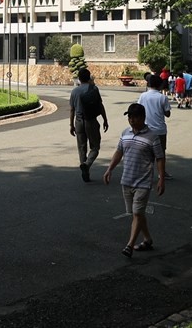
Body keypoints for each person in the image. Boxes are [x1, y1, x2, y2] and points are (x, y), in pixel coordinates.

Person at [103, 103, 166, 258]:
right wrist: (109, 169)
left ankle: (129, 245)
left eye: (135, 117)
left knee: (137, 213)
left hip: (143, 182)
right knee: (136, 213)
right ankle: (148, 239)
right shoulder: (125, 133)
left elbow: (160, 158)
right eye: (130, 117)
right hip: (127, 180)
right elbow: (119, 151)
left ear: (143, 118)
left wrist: (161, 178)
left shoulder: (152, 137)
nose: (131, 120)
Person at [69, 68, 109, 182]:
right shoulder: (94, 89)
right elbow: (100, 105)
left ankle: (84, 170)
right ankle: (87, 164)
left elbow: (72, 109)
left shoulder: (74, 91)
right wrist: (105, 120)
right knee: (95, 147)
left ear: (79, 79)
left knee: (82, 148)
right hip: (91, 120)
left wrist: (71, 125)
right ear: (89, 77)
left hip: (79, 121)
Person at [137, 74, 173, 179]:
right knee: (161, 153)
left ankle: (145, 172)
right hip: (159, 129)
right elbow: (167, 113)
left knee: (146, 152)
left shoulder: (143, 96)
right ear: (160, 85)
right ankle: (162, 173)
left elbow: (139, 108)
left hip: (146, 128)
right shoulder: (162, 97)